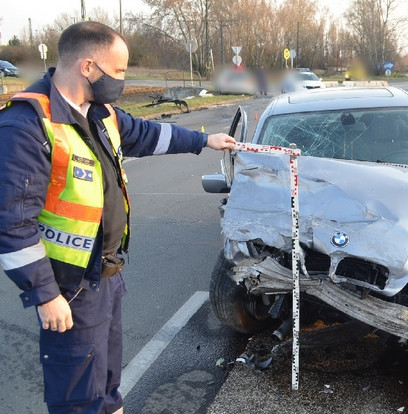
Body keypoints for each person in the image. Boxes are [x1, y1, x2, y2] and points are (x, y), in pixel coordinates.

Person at [0, 21, 236, 414]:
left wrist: (203, 141)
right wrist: (44, 294)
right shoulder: (27, 126)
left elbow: (145, 134)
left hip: (105, 277)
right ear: (89, 67)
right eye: (120, 70)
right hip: (68, 288)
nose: (123, 80)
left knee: (107, 385)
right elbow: (11, 226)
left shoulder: (99, 112)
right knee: (78, 397)